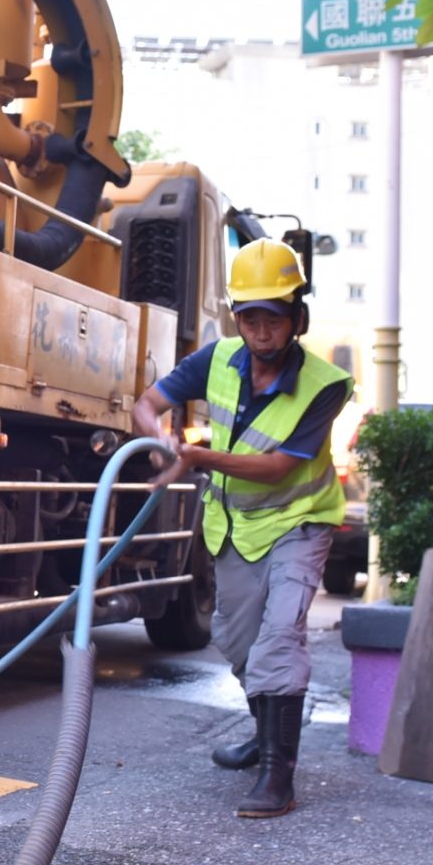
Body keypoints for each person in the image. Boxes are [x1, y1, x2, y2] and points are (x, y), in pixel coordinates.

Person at [131, 238, 350, 818]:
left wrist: (198, 459)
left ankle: (280, 774)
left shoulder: (327, 384)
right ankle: (265, 736)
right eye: (249, 317)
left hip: (300, 524)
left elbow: (279, 467)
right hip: (235, 529)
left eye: (272, 318)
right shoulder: (217, 358)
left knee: (280, 639)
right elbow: (147, 403)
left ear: (297, 318)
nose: (260, 331)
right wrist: (161, 443)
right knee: (239, 643)